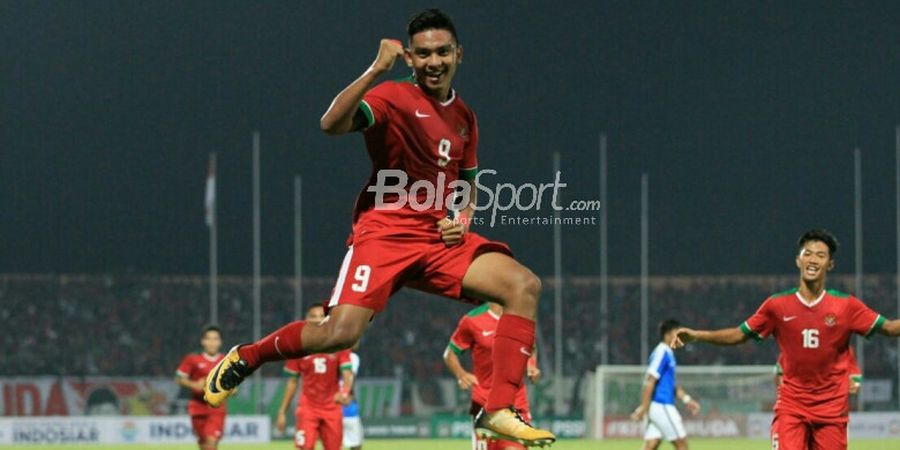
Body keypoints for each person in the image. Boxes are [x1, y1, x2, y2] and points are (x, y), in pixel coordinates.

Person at [204, 8, 554, 447]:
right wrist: (374, 69)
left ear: (458, 54)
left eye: (442, 52)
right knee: (339, 334)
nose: (434, 61)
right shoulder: (392, 97)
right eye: (423, 54)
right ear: (409, 58)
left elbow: (468, 183)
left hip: (438, 241)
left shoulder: (465, 116)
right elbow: (330, 124)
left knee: (524, 285)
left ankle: (498, 409)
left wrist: (461, 220)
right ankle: (248, 356)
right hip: (386, 233)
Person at [671, 229, 900, 450]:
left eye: (820, 255)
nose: (812, 259)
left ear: (830, 264)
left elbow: (889, 328)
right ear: (798, 261)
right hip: (792, 408)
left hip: (832, 411)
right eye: (807, 253)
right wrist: (697, 335)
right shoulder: (777, 305)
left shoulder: (846, 306)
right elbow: (740, 334)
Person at [444, 302, 541, 450]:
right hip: (484, 403)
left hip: (515, 402)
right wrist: (461, 374)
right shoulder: (472, 320)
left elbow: (531, 346)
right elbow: (450, 354)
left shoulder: (520, 317)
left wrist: (531, 364)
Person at [275, 304, 354, 450]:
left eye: (321, 316)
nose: (318, 320)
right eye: (313, 316)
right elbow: (292, 382)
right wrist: (282, 412)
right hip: (308, 409)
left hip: (332, 408)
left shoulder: (338, 344)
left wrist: (344, 393)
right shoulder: (297, 347)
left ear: (328, 319)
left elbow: (348, 374)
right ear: (306, 320)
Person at [630, 319, 701, 450]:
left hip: (657, 407)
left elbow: (671, 385)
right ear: (667, 335)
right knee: (682, 445)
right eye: (677, 334)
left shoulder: (668, 353)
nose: (680, 338)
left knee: (651, 444)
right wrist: (644, 408)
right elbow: (650, 380)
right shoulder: (662, 352)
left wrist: (687, 399)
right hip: (662, 405)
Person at [176, 326, 226, 450]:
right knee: (203, 445)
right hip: (197, 407)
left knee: (211, 444)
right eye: (209, 339)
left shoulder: (226, 361)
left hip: (216, 409)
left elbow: (235, 387)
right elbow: (179, 378)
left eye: (215, 339)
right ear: (203, 341)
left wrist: (227, 388)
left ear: (220, 342)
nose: (212, 342)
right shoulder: (192, 359)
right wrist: (194, 385)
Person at [775, 347, 862, 395]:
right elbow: (779, 374)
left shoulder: (842, 347)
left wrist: (853, 385)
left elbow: (855, 379)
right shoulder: (793, 345)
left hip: (832, 408)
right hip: (799, 407)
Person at [342, 344, 364, 450]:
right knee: (356, 444)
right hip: (347, 405)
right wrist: (349, 395)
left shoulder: (330, 356)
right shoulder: (352, 357)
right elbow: (351, 378)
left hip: (331, 404)